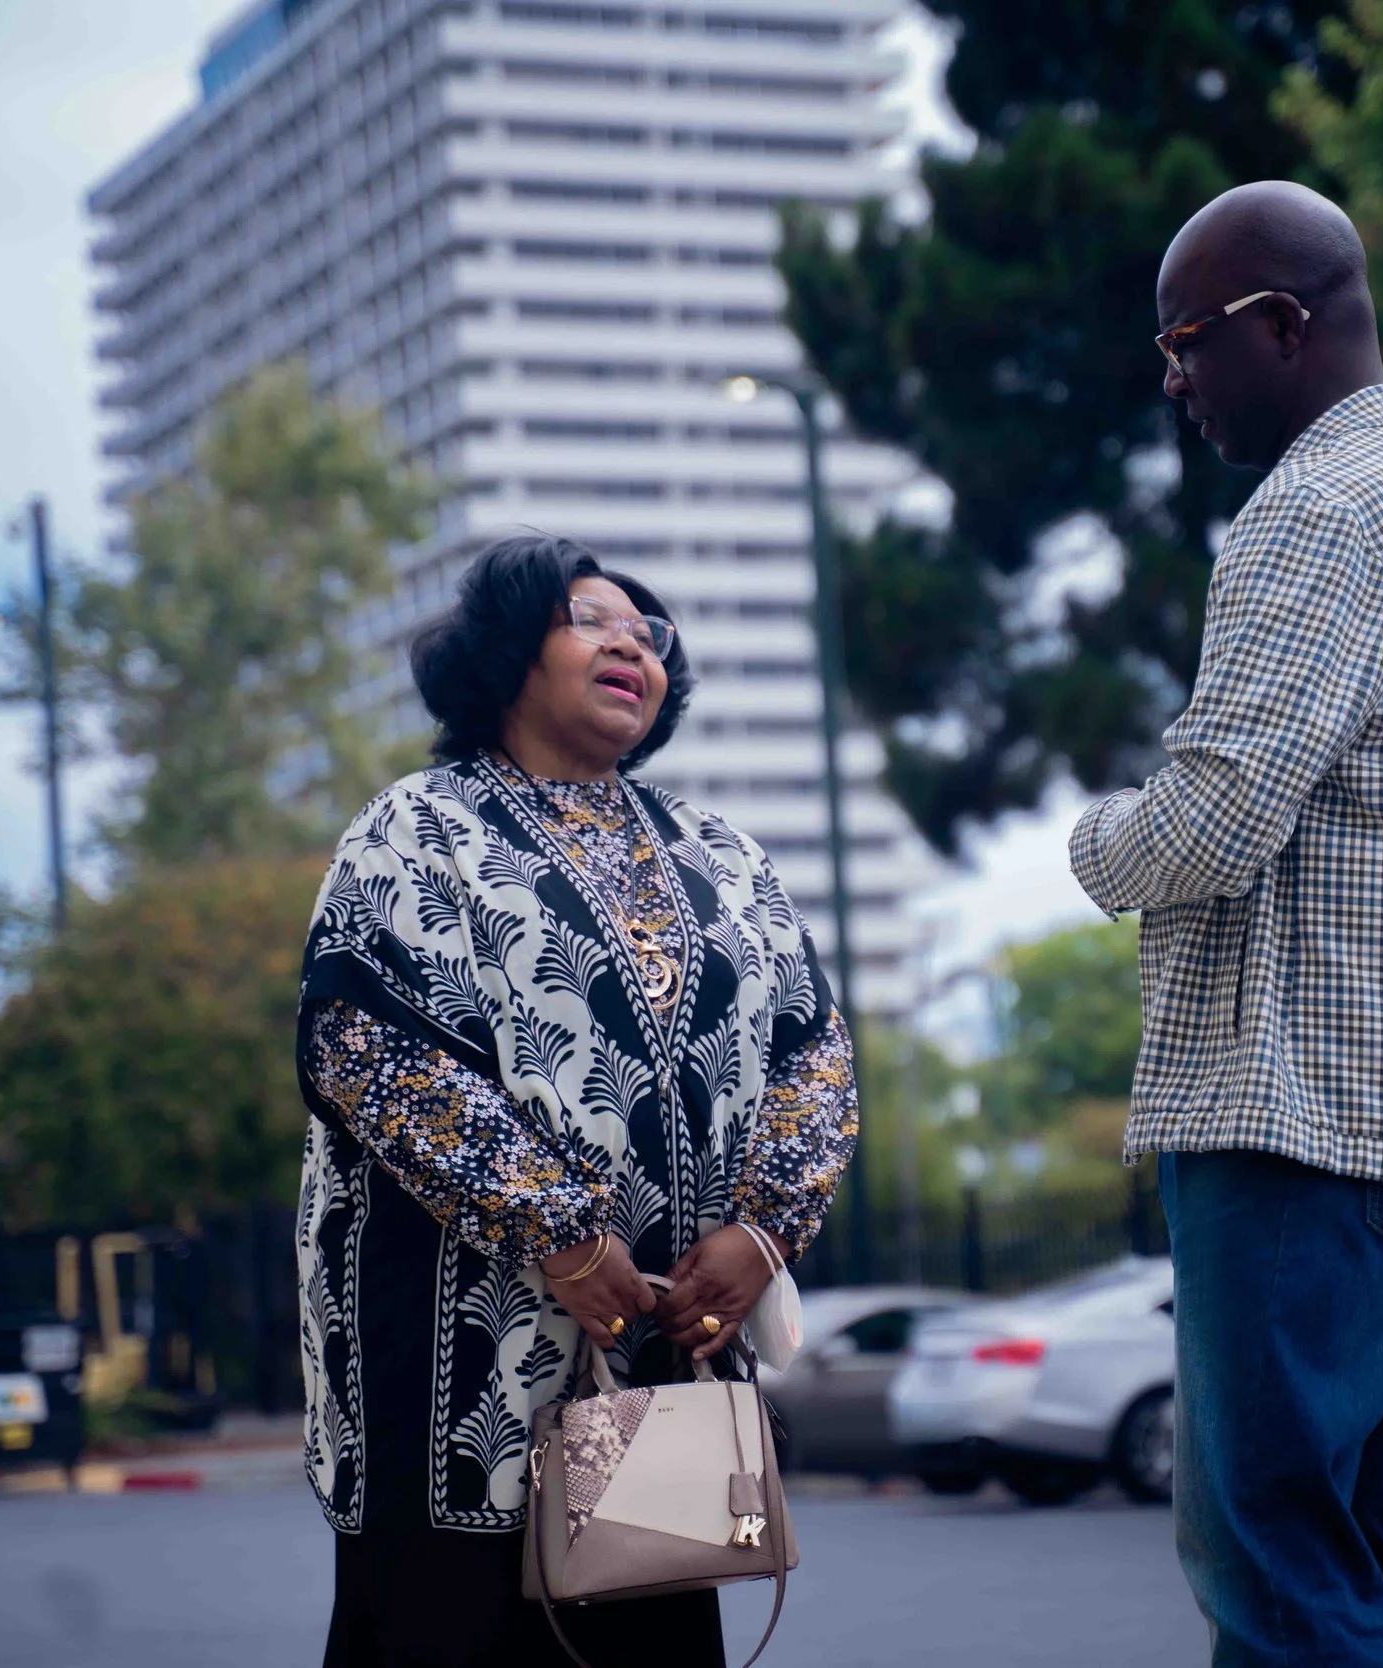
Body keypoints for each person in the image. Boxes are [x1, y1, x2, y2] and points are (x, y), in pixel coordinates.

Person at [1067, 181, 1383, 1665]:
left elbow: (1212, 818)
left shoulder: (1318, 512)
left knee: (1272, 1558)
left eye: (1187, 341)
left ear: (1281, 323)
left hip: (1299, 1124)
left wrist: (1092, 839)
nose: (1174, 380)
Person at [295, 531, 858, 1667]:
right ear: (507, 652)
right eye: (589, 618)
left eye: (647, 634)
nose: (630, 645)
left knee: (645, 1634)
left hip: (659, 1374)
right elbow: (368, 1049)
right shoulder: (417, 827)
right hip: (455, 1372)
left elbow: (819, 1058)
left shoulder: (722, 853)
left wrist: (761, 1233)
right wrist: (556, 1233)